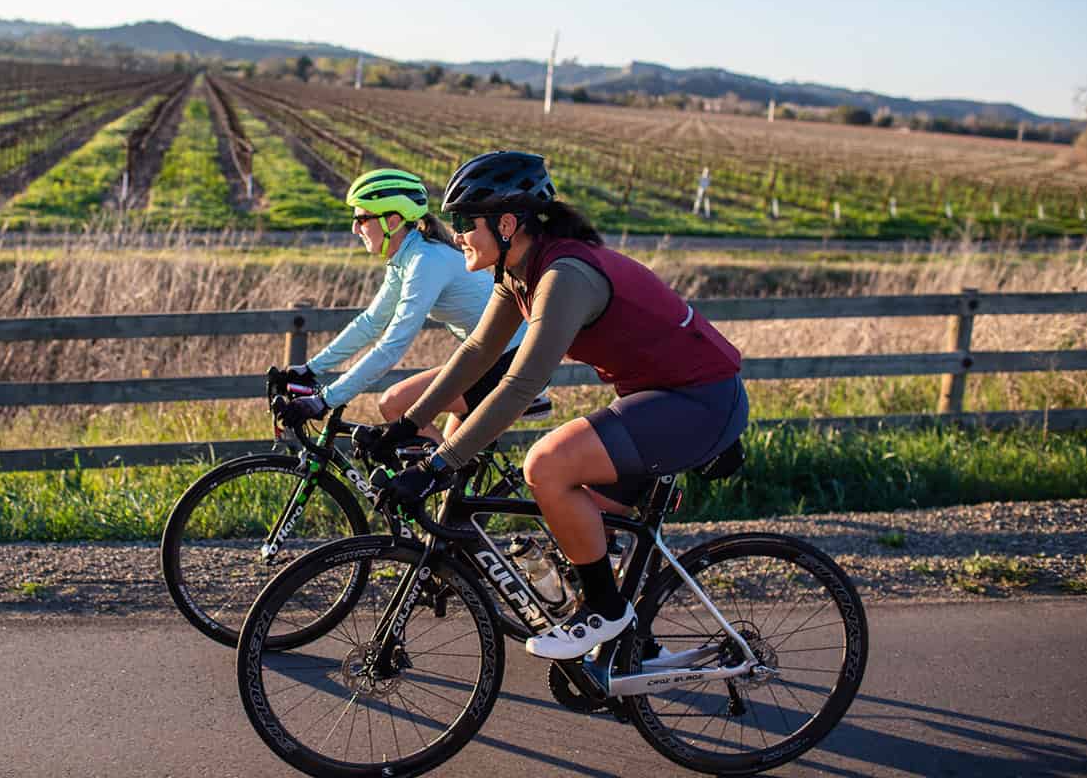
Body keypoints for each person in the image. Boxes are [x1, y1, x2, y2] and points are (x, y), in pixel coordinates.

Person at [370, 151, 748, 661]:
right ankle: (634, 646)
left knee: (547, 465)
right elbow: (478, 354)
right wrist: (408, 425)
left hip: (697, 401)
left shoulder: (563, 275)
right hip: (662, 399)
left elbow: (521, 384)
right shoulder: (517, 272)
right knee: (577, 528)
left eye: (464, 222)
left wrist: (441, 463)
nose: (456, 233)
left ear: (507, 224)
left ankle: (605, 614)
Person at [277, 167, 537, 439]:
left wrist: (324, 400)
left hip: (510, 362)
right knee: (450, 460)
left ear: (392, 221)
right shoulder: (406, 259)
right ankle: (447, 480)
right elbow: (371, 323)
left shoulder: (425, 261)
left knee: (395, 403)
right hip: (490, 359)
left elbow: (392, 346)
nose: (355, 228)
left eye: (363, 219)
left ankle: (437, 476)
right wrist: (310, 369)